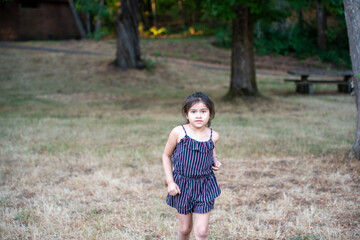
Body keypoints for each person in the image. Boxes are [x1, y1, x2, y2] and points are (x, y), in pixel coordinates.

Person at [162, 92, 222, 240]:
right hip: (182, 185)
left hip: (205, 185)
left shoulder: (213, 135)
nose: (199, 115)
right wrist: (170, 182)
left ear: (210, 114)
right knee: (185, 229)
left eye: (203, 111)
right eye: (193, 111)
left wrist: (215, 159)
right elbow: (166, 155)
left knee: (202, 233)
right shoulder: (178, 132)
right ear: (187, 114)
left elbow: (211, 149)